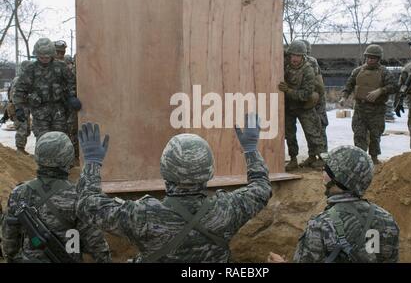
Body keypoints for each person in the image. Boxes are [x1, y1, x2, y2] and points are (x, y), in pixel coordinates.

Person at [75, 114, 272, 263]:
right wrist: (251, 149)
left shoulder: (143, 216)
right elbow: (261, 187)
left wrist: (92, 162)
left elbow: (86, 204)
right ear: (209, 172)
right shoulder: (229, 209)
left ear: (164, 170)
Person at [268, 145, 399, 263]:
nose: (323, 173)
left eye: (327, 169)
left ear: (337, 178)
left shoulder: (321, 225)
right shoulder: (387, 220)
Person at [1, 131, 111, 263]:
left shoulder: (19, 193)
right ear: (68, 158)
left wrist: (12, 257)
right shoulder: (78, 196)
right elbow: (96, 245)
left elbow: (9, 240)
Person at [12, 38, 81, 142]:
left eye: (47, 57)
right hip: (40, 112)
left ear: (52, 54)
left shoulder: (61, 67)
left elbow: (71, 82)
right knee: (43, 141)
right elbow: (20, 90)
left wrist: (71, 96)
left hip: (59, 111)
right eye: (41, 57)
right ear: (37, 55)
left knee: (61, 139)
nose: (44, 59)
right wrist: (18, 108)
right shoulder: (30, 69)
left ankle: (61, 158)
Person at [339, 44, 397, 164]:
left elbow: (393, 86)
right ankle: (360, 158)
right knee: (359, 133)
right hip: (360, 107)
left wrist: (381, 90)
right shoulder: (358, 71)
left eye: (373, 58)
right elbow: (349, 85)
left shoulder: (384, 72)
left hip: (377, 109)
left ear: (378, 59)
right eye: (368, 57)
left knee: (375, 135)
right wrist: (344, 97)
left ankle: (374, 158)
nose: (370, 60)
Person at [279, 40, 325, 170]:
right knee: (290, 135)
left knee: (312, 132)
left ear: (303, 56)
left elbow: (305, 94)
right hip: (289, 106)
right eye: (293, 55)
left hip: (304, 106)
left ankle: (318, 158)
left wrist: (288, 90)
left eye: (298, 56)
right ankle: (293, 159)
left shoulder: (308, 71)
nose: (295, 58)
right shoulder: (285, 65)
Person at [302, 39, 329, 152]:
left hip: (317, 100)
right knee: (311, 129)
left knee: (319, 127)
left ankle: (322, 156)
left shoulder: (311, 61)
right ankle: (313, 155)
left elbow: (317, 85)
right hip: (309, 98)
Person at [3, 61, 33, 154]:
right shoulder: (19, 79)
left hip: (24, 108)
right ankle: (20, 149)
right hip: (18, 108)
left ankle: (21, 149)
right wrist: (18, 109)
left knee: (27, 130)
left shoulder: (26, 79)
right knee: (22, 129)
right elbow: (14, 95)